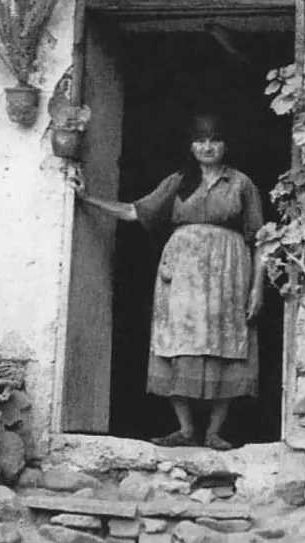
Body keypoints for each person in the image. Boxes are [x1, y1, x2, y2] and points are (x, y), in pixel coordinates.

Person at [72, 113, 265, 450]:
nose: (207, 146)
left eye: (214, 139)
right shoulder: (178, 181)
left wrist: (258, 288)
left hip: (230, 275)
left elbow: (262, 239)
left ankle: (215, 431)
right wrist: (88, 198)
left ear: (226, 144)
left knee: (228, 345)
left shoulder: (242, 184)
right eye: (200, 140)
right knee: (176, 342)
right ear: (191, 146)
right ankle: (186, 429)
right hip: (183, 276)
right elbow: (135, 211)